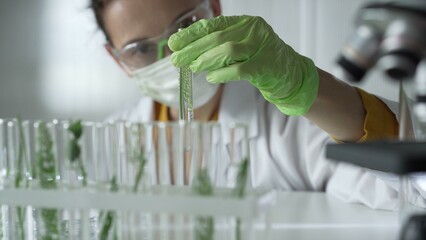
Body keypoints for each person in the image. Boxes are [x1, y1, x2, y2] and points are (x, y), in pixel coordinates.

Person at [90, 0, 402, 210]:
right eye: (141, 49)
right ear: (117, 60)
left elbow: (406, 190)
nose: (174, 57)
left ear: (213, 9)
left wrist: (309, 88)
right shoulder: (110, 140)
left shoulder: (290, 123)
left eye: (184, 28)